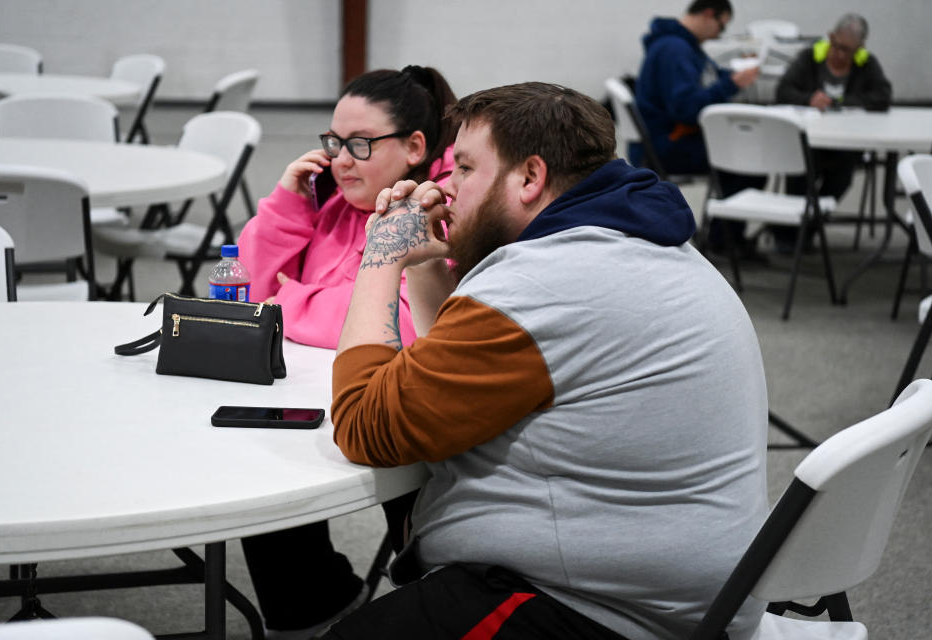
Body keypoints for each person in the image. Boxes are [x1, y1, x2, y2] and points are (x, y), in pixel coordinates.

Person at [325, 82, 769, 639]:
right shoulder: (626, 235)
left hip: (602, 608)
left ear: (529, 178)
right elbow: (456, 381)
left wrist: (381, 252)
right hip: (686, 581)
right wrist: (423, 264)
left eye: (463, 168)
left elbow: (365, 422)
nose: (445, 185)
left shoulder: (543, 285)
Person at [236, 65, 458, 639]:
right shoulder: (331, 208)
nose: (340, 159)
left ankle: (410, 605)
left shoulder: (436, 211)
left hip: (402, 416)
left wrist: (294, 302)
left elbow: (403, 326)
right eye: (334, 142)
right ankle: (317, 607)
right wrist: (287, 205)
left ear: (414, 147)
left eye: (360, 144)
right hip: (318, 394)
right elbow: (246, 296)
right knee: (257, 457)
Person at [635, 0, 766, 256]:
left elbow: (708, 80)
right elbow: (686, 109)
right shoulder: (675, 50)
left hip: (666, 140)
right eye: (722, 25)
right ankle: (725, 241)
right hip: (668, 145)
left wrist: (733, 76)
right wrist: (732, 85)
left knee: (743, 155)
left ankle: (724, 237)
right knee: (749, 159)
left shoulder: (683, 46)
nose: (720, 34)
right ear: (709, 14)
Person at [774, 13, 892, 252]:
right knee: (799, 172)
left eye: (847, 50)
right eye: (836, 46)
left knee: (842, 176)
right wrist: (809, 99)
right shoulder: (809, 58)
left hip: (845, 145)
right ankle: (787, 235)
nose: (839, 54)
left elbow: (883, 97)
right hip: (810, 141)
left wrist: (842, 102)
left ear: (859, 48)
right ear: (830, 37)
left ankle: (809, 228)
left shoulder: (866, 64)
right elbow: (783, 91)